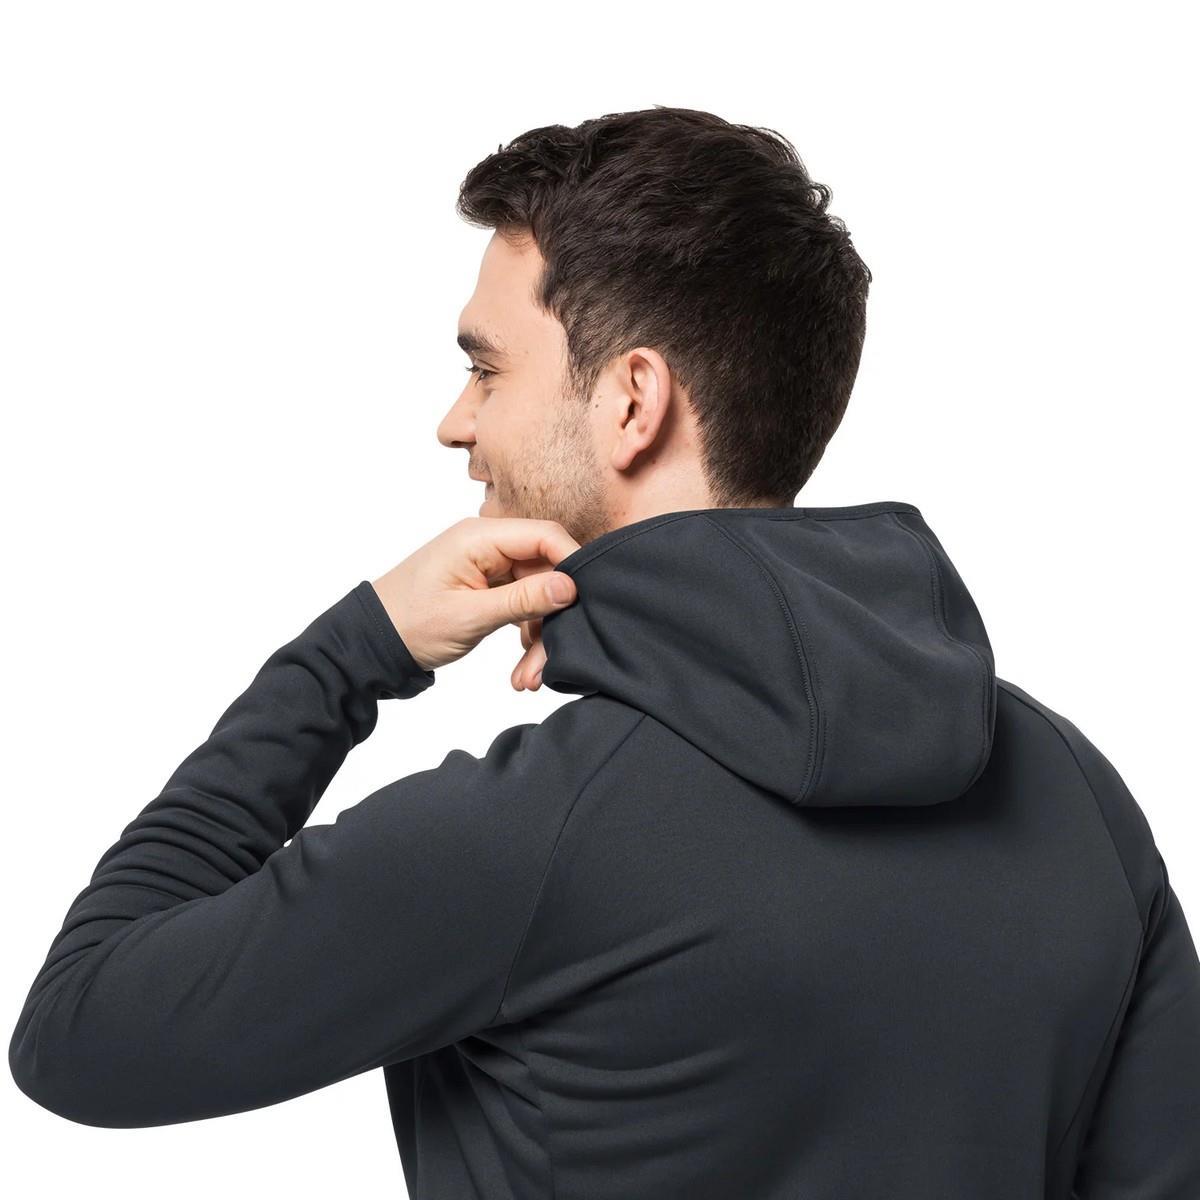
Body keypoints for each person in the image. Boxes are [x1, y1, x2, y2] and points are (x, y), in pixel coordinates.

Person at [10, 106, 1199, 1198]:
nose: (456, 422)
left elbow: (78, 1029)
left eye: (485, 367)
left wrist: (350, 652)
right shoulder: (1076, 791)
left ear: (633, 401)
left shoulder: (522, 836)